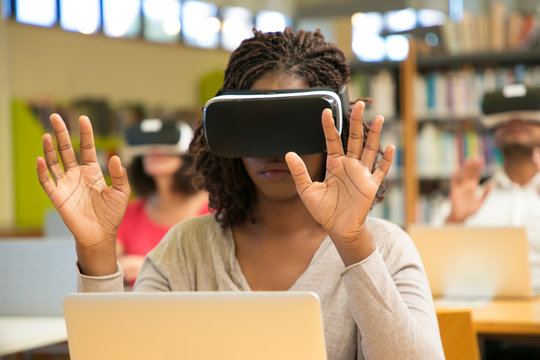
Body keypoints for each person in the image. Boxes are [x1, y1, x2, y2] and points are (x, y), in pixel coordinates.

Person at [36, 28, 444, 359]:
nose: (274, 150)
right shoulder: (187, 249)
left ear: (332, 131)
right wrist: (96, 249)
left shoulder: (386, 249)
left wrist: (353, 245)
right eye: (256, 127)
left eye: (293, 127)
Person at [433, 84, 540, 290]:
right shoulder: (472, 199)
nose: (515, 121)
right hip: (484, 315)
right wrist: (454, 222)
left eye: (528, 117)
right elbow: (428, 267)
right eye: (505, 118)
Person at [117, 119, 210, 285]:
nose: (153, 152)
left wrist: (150, 268)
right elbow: (107, 269)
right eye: (147, 148)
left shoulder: (216, 208)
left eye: (164, 148)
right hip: (139, 306)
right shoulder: (131, 213)